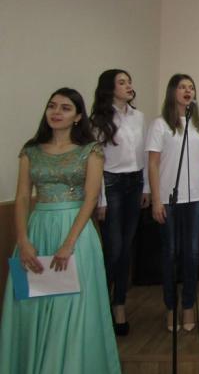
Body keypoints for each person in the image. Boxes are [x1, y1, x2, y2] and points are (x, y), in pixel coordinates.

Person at [0, 88, 121, 373]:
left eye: (65, 108)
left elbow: (91, 197)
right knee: (32, 308)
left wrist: (68, 244)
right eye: (52, 106)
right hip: (37, 232)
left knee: (71, 309)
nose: (56, 112)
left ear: (78, 117)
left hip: (76, 234)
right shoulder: (30, 150)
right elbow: (22, 197)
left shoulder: (91, 150)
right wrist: (23, 241)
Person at [147, 74, 199, 332]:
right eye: (182, 87)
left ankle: (188, 306)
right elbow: (153, 163)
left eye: (191, 87)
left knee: (192, 252)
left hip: (196, 196)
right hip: (169, 198)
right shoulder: (160, 124)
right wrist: (156, 199)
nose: (188, 91)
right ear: (172, 92)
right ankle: (170, 307)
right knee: (171, 252)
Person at [90, 68, 149, 336]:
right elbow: (96, 162)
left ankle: (119, 305)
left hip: (134, 183)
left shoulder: (139, 117)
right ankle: (101, 306)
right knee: (113, 249)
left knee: (127, 249)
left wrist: (146, 187)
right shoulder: (98, 120)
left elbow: (144, 154)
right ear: (109, 88)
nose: (128, 86)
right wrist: (100, 199)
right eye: (122, 82)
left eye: (129, 81)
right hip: (110, 184)